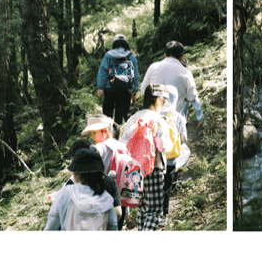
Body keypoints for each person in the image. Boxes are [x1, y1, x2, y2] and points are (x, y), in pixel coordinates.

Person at [121, 83, 172, 231]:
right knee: (155, 210)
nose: (164, 105)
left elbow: (124, 142)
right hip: (154, 169)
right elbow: (164, 147)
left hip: (135, 170)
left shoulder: (133, 118)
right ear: (157, 101)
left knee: (142, 208)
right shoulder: (159, 120)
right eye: (163, 101)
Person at [44, 147, 118, 231]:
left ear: (76, 173)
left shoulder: (65, 193)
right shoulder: (106, 198)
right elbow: (113, 227)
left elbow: (51, 225)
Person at [141, 40, 204, 127]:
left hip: (154, 118)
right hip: (175, 121)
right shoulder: (186, 72)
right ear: (181, 58)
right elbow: (192, 97)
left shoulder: (153, 67)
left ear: (165, 55)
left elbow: (143, 90)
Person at [81, 114, 128, 230]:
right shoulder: (123, 146)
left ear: (105, 131)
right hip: (123, 196)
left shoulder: (99, 147)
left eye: (93, 133)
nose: (91, 137)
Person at [96, 34, 140, 135]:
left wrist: (100, 88)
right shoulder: (131, 56)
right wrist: (134, 90)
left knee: (108, 111)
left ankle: (107, 132)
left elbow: (103, 72)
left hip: (110, 87)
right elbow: (136, 74)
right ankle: (119, 135)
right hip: (125, 89)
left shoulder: (108, 55)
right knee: (121, 113)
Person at [161, 85, 188, 226]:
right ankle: (164, 215)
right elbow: (184, 138)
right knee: (166, 188)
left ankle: (152, 213)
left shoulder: (155, 114)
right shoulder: (178, 116)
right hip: (171, 159)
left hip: (156, 160)